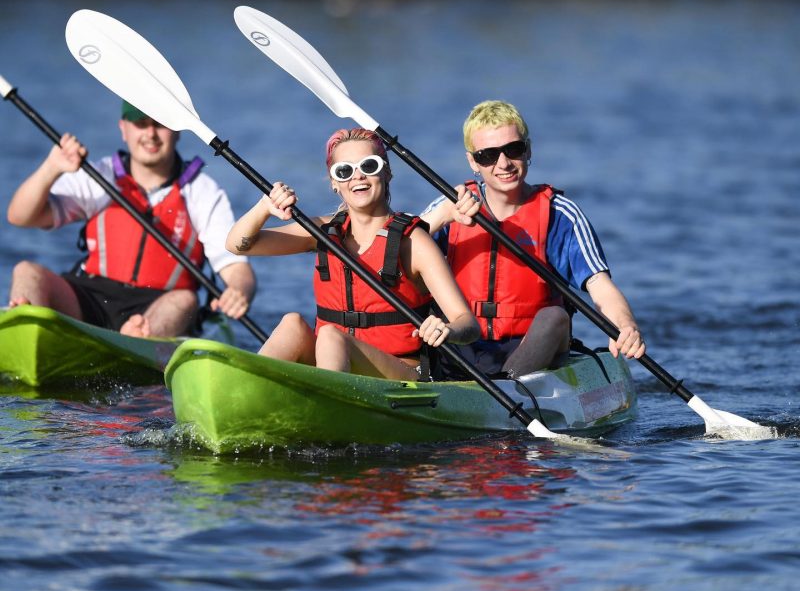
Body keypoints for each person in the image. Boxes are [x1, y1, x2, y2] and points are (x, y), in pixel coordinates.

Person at [226, 127, 479, 380]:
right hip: (336, 364)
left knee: (331, 336)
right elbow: (237, 245)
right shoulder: (323, 232)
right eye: (344, 171)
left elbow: (467, 323)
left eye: (369, 166)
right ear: (335, 183)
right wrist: (263, 208)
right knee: (293, 323)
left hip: (403, 374)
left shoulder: (414, 242)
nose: (358, 177)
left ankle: (325, 407)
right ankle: (246, 391)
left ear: (387, 172)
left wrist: (447, 329)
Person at [421, 100, 646, 380]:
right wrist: (442, 216)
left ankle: (508, 387)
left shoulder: (559, 214)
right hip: (461, 345)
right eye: (488, 155)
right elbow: (392, 253)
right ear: (473, 162)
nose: (503, 163)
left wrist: (625, 326)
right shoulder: (450, 206)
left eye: (513, 150)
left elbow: (600, 286)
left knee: (555, 317)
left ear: (528, 150)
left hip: (532, 349)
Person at [6, 101, 256, 338]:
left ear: (178, 130)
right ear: (123, 129)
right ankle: (25, 332)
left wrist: (239, 291)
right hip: (91, 296)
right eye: (140, 123)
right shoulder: (100, 175)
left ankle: (136, 340)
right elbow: (21, 217)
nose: (150, 134)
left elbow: (236, 267)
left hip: (160, 304)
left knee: (185, 300)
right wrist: (51, 168)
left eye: (160, 123)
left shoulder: (201, 191)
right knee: (26, 271)